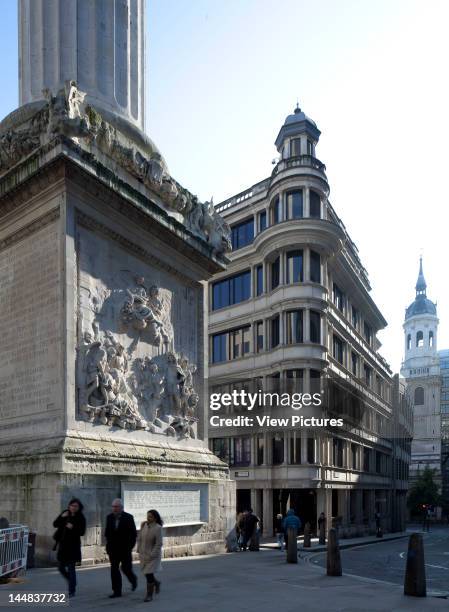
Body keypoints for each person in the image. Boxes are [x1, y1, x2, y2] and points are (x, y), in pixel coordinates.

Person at [53, 498, 86, 598]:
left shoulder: (81, 517)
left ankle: (72, 590)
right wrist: (61, 517)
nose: (73, 508)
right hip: (63, 546)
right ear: (69, 506)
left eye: (76, 506)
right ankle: (72, 581)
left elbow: (82, 532)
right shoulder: (65, 513)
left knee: (71, 568)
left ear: (79, 507)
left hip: (73, 546)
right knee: (60, 567)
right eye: (72, 505)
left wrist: (73, 527)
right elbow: (55, 524)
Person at [105, 498, 137, 598]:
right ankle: (116, 591)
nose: (114, 509)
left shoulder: (128, 517)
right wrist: (108, 546)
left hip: (125, 549)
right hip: (113, 549)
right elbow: (107, 533)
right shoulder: (109, 517)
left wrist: (129, 547)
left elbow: (133, 534)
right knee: (114, 569)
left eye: (116, 507)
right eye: (113, 506)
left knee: (126, 568)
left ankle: (133, 580)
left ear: (121, 508)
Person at [136, 509, 163, 602]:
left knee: (149, 574)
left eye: (151, 516)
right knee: (146, 573)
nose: (148, 518)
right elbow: (140, 538)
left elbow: (159, 544)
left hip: (153, 556)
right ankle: (157, 583)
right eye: (148, 516)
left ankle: (149, 595)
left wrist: (152, 554)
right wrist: (138, 549)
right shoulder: (144, 525)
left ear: (155, 518)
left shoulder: (158, 528)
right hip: (143, 554)